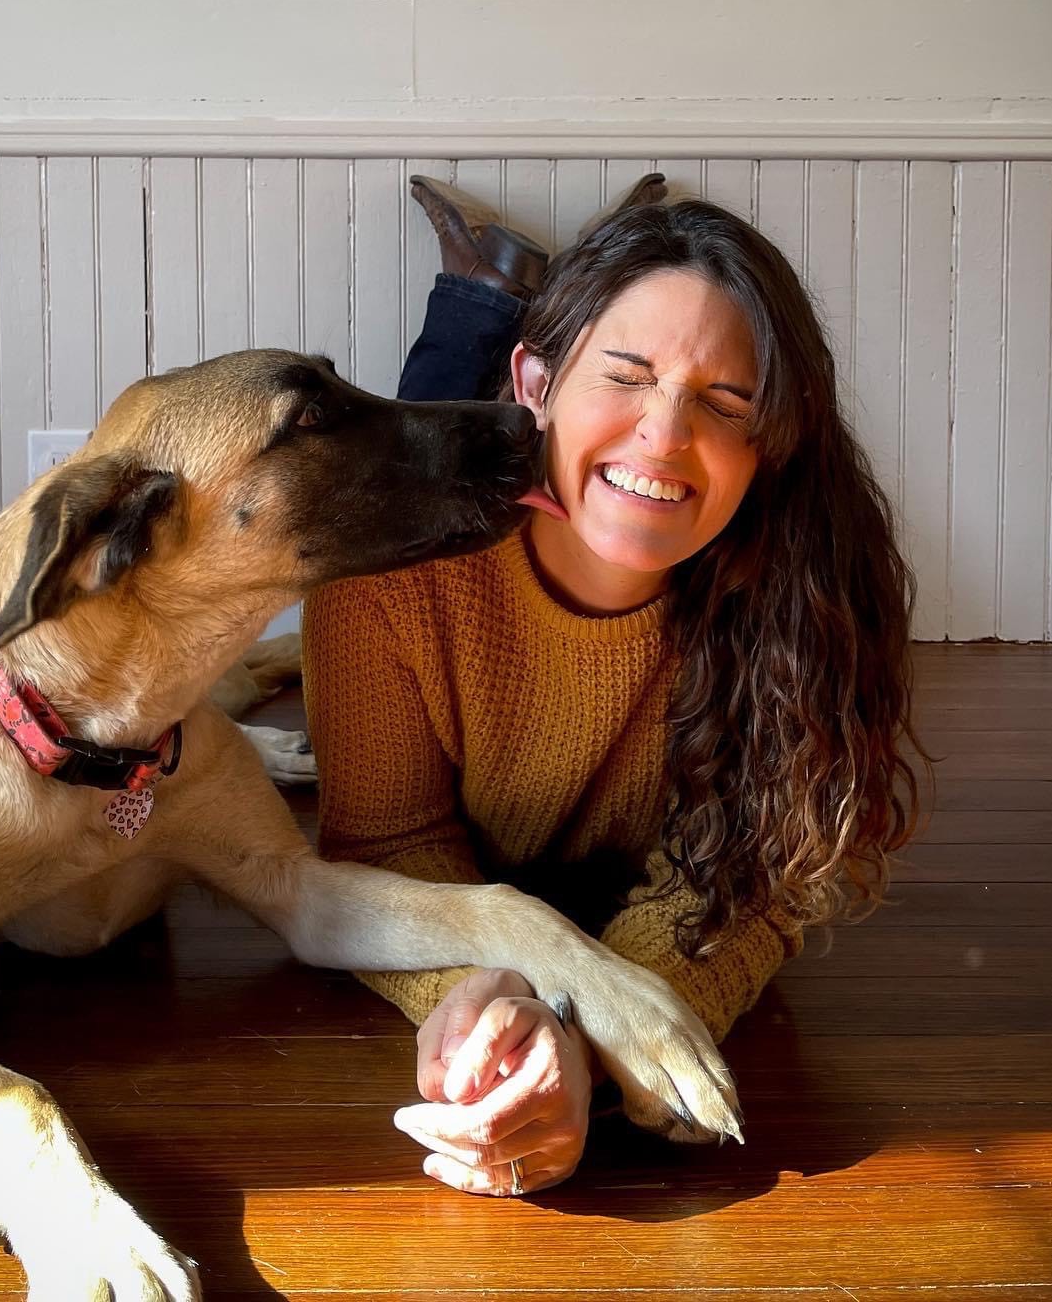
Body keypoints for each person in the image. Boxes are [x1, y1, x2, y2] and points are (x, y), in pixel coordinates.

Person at [302, 176, 922, 1199]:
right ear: (534, 383)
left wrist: (586, 1055)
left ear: (769, 448)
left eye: (724, 402)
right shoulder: (389, 579)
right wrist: (483, 1012)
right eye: (624, 376)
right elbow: (382, 842)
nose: (665, 434)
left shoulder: (809, 593)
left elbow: (748, 881)